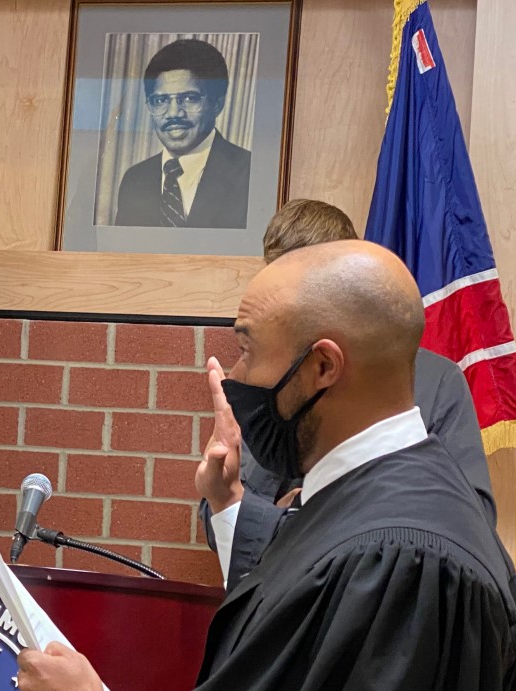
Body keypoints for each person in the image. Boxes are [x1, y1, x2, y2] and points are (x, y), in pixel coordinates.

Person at [18, 240, 516, 691]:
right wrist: (230, 502)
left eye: (247, 350)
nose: (234, 379)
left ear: (323, 365)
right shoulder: (401, 504)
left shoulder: (391, 565)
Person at [200, 199, 494, 587]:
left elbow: (468, 518)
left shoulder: (437, 382)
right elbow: (224, 503)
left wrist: (311, 505)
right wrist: (240, 502)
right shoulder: (267, 383)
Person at [115, 39, 251, 229]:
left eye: (189, 98)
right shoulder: (134, 180)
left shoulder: (249, 173)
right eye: (160, 100)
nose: (173, 113)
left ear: (217, 105)